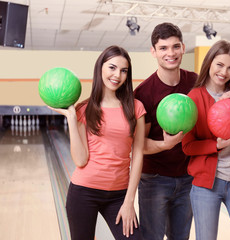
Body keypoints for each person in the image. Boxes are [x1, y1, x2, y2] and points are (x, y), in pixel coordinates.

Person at [50, 45, 145, 240]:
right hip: (84, 192)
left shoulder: (136, 107)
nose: (117, 75)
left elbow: (138, 155)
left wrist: (129, 202)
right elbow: (80, 160)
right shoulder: (84, 109)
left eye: (123, 70)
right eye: (112, 67)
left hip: (119, 195)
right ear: (100, 67)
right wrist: (70, 118)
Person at [182, 39, 230, 240]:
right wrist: (216, 145)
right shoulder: (194, 97)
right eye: (219, 65)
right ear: (209, 63)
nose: (224, 72)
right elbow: (188, 146)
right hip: (206, 185)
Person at [133, 22, 198, 240]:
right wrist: (165, 145)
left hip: (188, 177)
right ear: (153, 52)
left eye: (175, 46)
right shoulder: (143, 93)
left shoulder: (195, 82)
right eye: (163, 48)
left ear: (183, 47)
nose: (170, 53)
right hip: (155, 179)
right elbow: (139, 144)